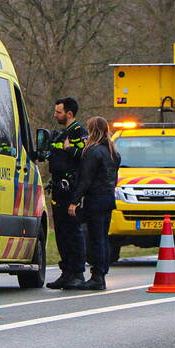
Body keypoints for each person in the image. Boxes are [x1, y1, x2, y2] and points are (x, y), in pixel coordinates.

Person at [69, 116, 121, 290]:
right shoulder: (113, 152)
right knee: (103, 238)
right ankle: (102, 273)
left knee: (95, 238)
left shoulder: (93, 152)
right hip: (108, 198)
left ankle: (97, 275)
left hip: (96, 198)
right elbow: (114, 178)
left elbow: (86, 179)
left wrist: (74, 201)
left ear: (92, 130)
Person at [46, 97, 88, 290]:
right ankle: (66, 272)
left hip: (71, 189)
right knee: (61, 233)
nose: (55, 115)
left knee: (73, 232)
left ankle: (77, 272)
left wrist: (69, 149)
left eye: (59, 112)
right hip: (58, 188)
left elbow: (84, 156)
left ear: (69, 113)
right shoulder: (61, 133)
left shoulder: (79, 132)